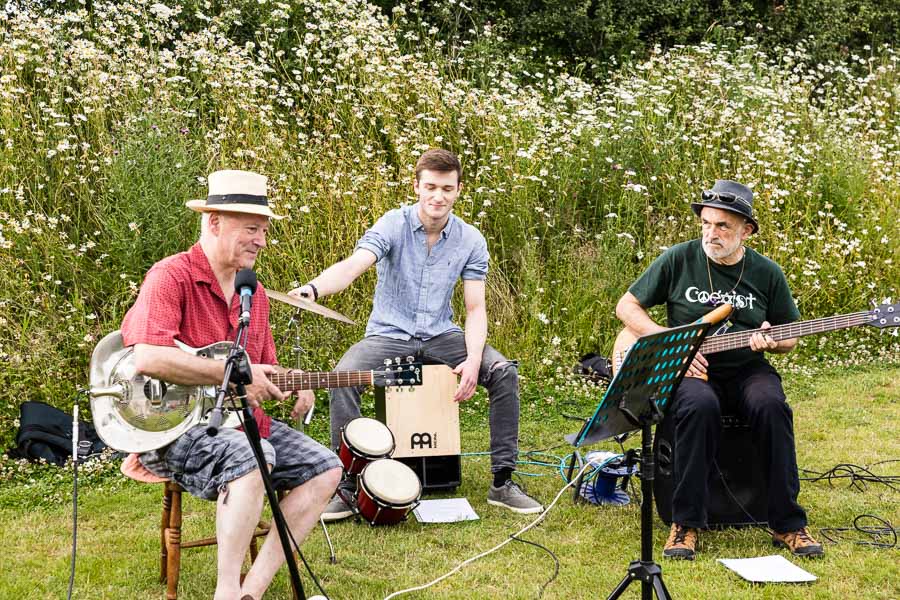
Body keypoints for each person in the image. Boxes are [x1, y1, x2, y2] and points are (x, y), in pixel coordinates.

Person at [120, 170, 343, 600]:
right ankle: (225, 591)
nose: (261, 240)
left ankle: (250, 592)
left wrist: (300, 383)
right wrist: (232, 373)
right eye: (252, 229)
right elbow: (148, 356)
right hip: (174, 428)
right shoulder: (171, 276)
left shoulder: (252, 291)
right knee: (254, 458)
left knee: (326, 468)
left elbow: (264, 368)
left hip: (242, 422)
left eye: (263, 231)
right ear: (214, 221)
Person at [289, 148, 542, 519]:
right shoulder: (392, 224)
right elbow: (354, 266)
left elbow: (475, 308)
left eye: (447, 188)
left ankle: (502, 482)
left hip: (442, 335)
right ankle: (346, 487)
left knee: (503, 371)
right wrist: (312, 289)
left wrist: (473, 361)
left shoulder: (471, 240)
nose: (438, 196)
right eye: (431, 187)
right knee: (343, 376)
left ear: (458, 190)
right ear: (417, 187)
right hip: (389, 334)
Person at [615, 179, 824, 560]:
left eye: (723, 226)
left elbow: (790, 335)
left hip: (747, 367)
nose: (712, 233)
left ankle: (787, 523)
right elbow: (626, 307)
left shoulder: (767, 272)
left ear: (746, 230)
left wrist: (773, 339)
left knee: (772, 405)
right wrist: (669, 343)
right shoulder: (679, 258)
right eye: (706, 224)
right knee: (698, 408)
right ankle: (686, 524)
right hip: (691, 369)